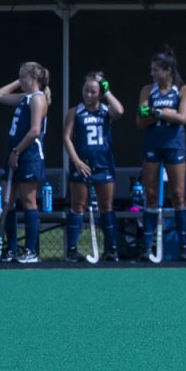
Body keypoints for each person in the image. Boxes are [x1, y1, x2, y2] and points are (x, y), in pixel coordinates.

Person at [137, 45, 186, 262]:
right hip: (153, 144)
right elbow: (141, 117)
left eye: (156, 70)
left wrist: (159, 112)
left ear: (168, 70)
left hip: (174, 145)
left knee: (178, 195)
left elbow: (182, 117)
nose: (152, 73)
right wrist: (165, 114)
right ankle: (146, 246)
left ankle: (184, 246)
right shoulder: (147, 90)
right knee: (150, 195)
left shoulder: (183, 90)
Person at [0, 62, 51, 264]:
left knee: (28, 201)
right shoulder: (25, 97)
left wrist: (17, 150)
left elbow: (34, 130)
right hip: (13, 154)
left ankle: (31, 250)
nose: (20, 81)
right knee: (7, 201)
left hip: (28, 155)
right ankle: (13, 248)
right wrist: (18, 81)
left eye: (23, 77)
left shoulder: (38, 99)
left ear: (33, 78)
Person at [63, 71, 124, 262]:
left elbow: (120, 111)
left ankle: (112, 248)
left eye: (94, 92)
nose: (89, 95)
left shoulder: (106, 110)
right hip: (82, 165)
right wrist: (76, 161)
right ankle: (72, 249)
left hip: (104, 164)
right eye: (86, 91)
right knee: (78, 205)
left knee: (106, 207)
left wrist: (106, 90)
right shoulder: (75, 111)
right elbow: (66, 137)